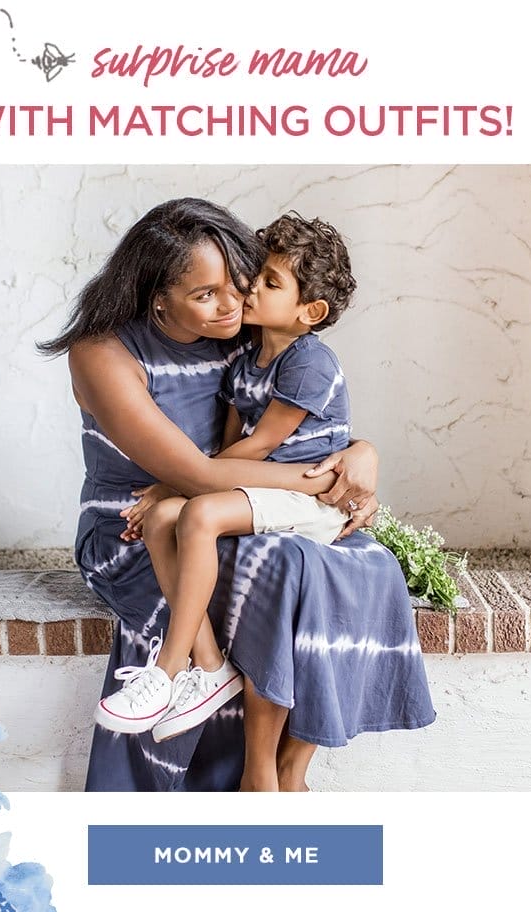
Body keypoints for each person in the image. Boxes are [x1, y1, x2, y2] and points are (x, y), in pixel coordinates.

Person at [39, 197, 435, 792]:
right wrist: (326, 486)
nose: (234, 302)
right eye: (206, 294)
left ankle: (276, 770)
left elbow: (294, 423)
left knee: (353, 564)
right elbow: (200, 475)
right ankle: (233, 752)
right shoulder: (102, 353)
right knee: (276, 562)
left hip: (218, 510)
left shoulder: (241, 338)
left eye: (240, 282)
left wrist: (361, 453)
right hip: (130, 528)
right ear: (158, 298)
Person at [95, 213, 357, 759]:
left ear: (310, 311)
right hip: (244, 497)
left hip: (298, 497)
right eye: (251, 277)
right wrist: (181, 490)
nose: (241, 296)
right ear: (160, 297)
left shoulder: (293, 358)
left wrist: (176, 488)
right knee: (170, 521)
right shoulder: (240, 358)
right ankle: (210, 672)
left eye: (260, 283)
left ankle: (172, 670)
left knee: (196, 517)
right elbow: (221, 455)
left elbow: (260, 449)